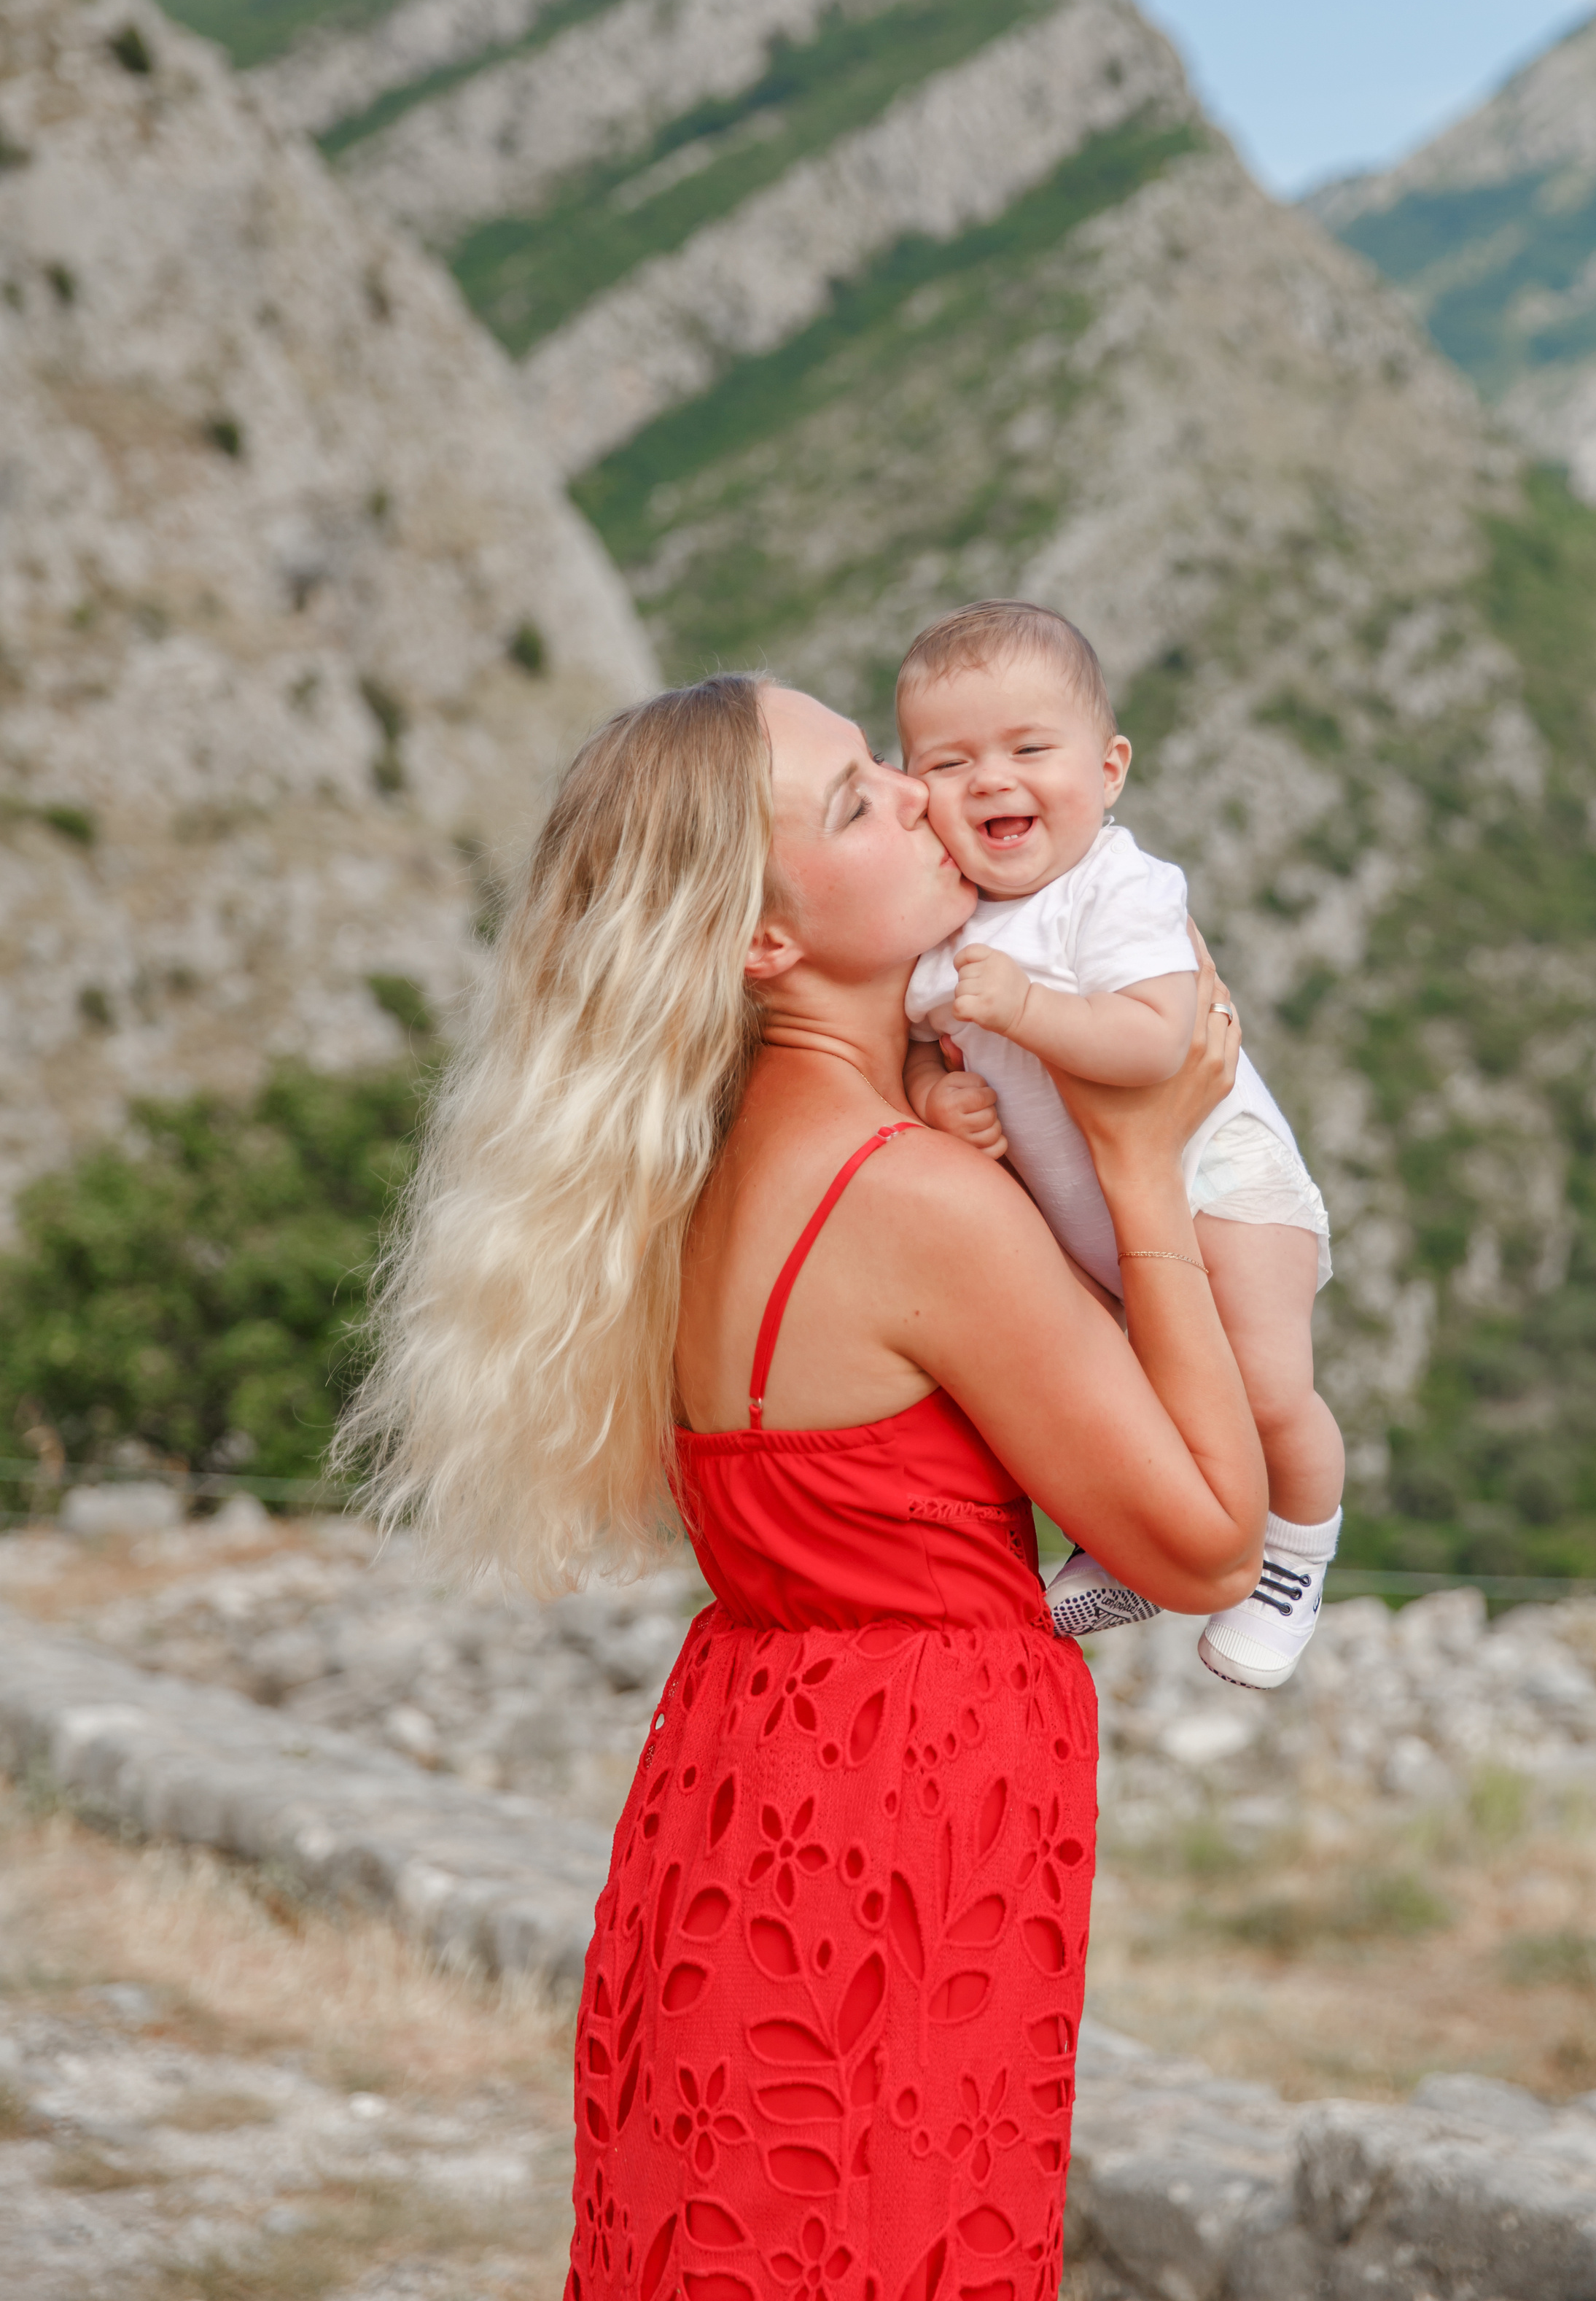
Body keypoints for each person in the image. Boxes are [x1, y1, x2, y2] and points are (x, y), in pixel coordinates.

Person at [338, 672, 1266, 2301]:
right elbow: (1199, 1544)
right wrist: (1137, 1164)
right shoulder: (910, 1199)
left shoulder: (703, 1166)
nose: (919, 793)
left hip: (743, 1782)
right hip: (903, 1824)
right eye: (855, 799)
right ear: (764, 941)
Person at [895, 603, 1344, 1691]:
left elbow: (1156, 1045)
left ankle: (1296, 1556)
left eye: (1029, 750)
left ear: (1109, 770)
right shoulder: (940, 924)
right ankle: (1142, 1549)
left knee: (1266, 1387)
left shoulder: (1120, 889)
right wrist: (932, 1094)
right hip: (1104, 1222)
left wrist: (1022, 1012)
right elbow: (912, 1044)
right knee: (1134, 1386)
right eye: (948, 763)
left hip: (1223, 1183)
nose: (992, 781)